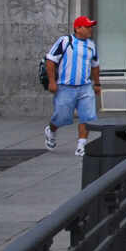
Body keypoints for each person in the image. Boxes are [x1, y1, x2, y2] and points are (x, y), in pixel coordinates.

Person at [44, 15, 101, 157]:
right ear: (77, 28)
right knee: (61, 117)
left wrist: (97, 83)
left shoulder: (91, 45)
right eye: (87, 27)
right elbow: (50, 61)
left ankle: (81, 145)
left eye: (91, 27)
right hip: (65, 87)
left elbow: (95, 66)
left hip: (85, 87)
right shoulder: (65, 41)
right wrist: (52, 82)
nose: (90, 30)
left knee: (87, 116)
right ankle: (51, 130)